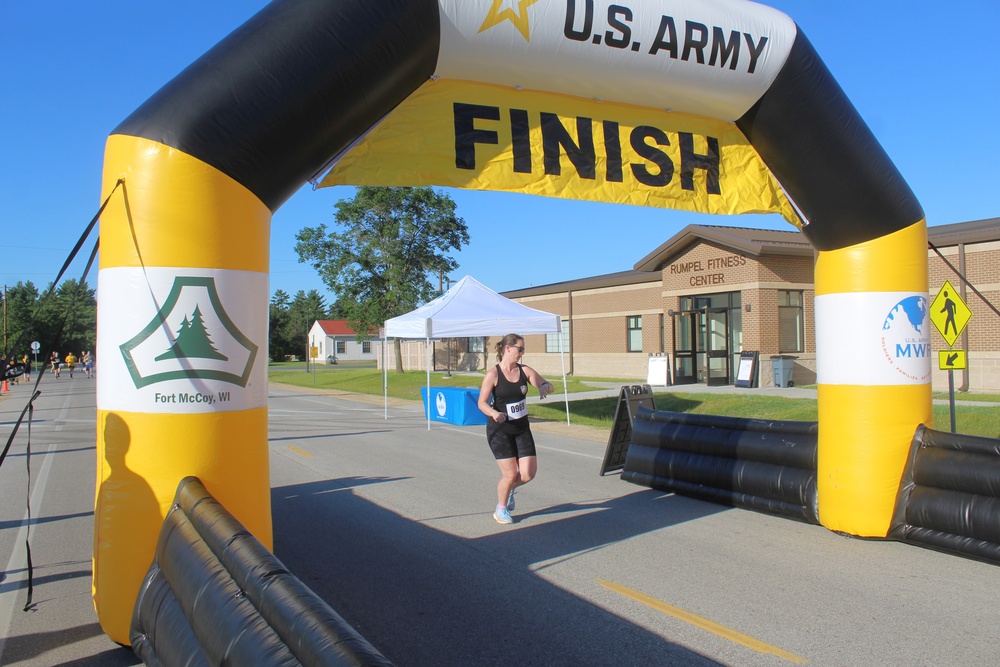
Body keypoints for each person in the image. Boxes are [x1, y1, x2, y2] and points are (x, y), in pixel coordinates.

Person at [477, 333, 554, 525]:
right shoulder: (493, 375)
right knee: (510, 474)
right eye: (520, 349)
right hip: (500, 430)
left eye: (523, 350)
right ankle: (500, 509)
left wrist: (545, 387)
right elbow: (481, 403)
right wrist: (494, 413)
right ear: (508, 348)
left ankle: (509, 489)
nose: (522, 353)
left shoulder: (524, 370)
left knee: (528, 474)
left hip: (521, 428)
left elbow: (541, 382)